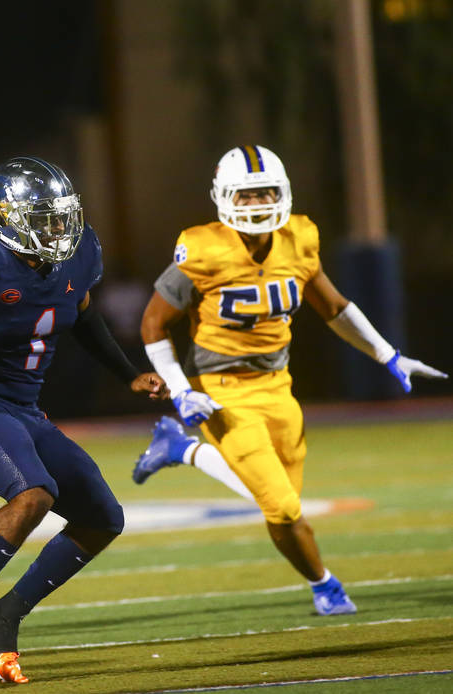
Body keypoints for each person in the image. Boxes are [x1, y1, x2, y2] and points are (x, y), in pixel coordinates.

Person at [132, 145, 447, 616]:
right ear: (223, 198)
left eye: (265, 193)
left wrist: (388, 354)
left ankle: (183, 450)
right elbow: (153, 324)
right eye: (246, 196)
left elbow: (335, 308)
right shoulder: (202, 248)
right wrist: (180, 390)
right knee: (282, 508)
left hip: (278, 386)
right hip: (221, 391)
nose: (257, 205)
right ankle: (325, 585)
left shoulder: (299, 237)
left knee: (281, 499)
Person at [0, 157, 165, 683]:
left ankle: (3, 614)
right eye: (42, 218)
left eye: (61, 216)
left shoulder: (80, 254)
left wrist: (127, 373)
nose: (57, 229)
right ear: (5, 216)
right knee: (33, 495)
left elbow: (84, 315)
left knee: (102, 517)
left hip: (26, 409)